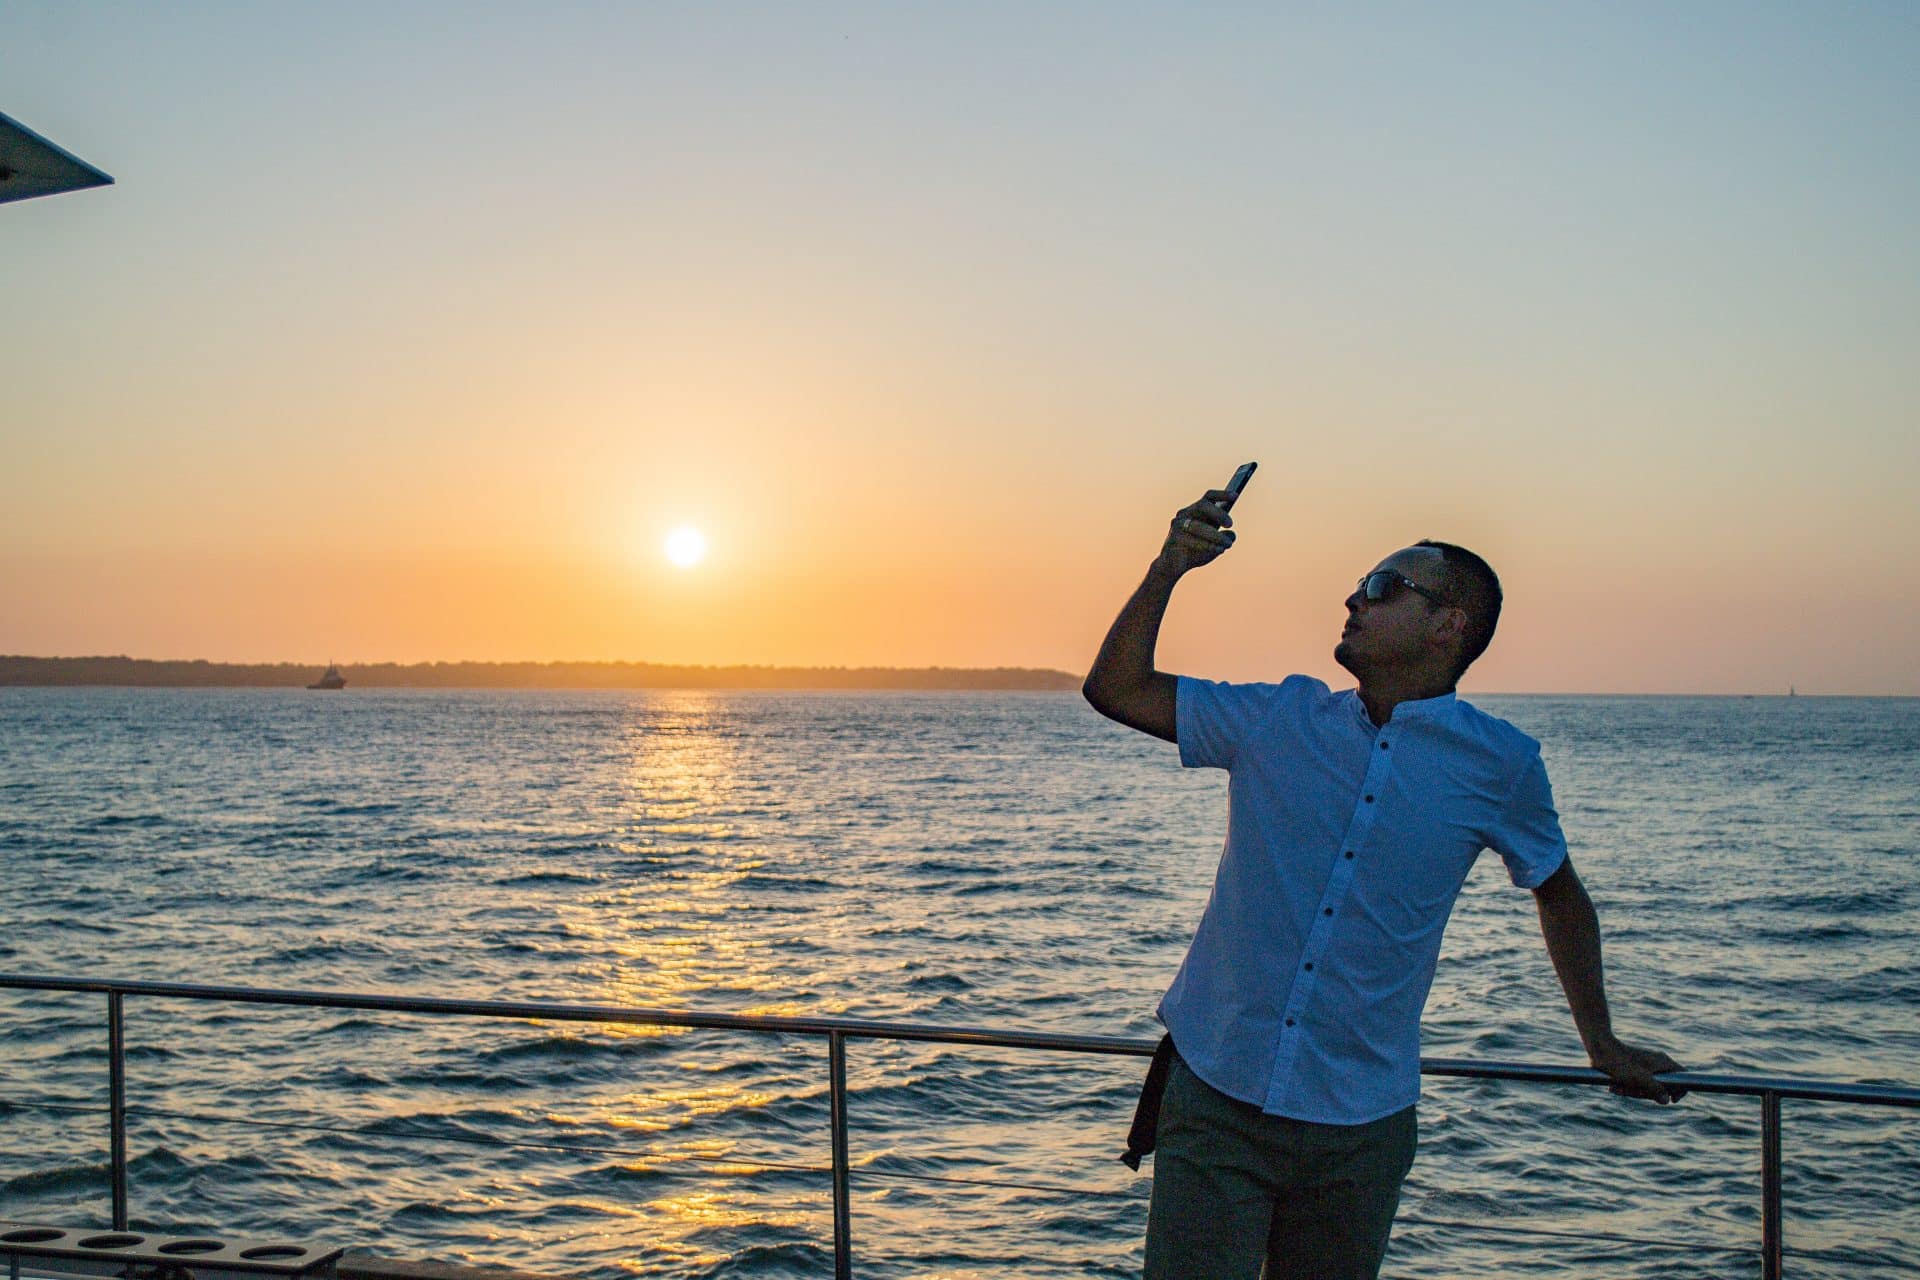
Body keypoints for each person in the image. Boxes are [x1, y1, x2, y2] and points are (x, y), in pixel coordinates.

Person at [1082, 483, 1685, 1280]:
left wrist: (1599, 1039)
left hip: (1359, 1126)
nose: (1352, 598)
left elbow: (1559, 890)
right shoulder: (1279, 720)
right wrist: (1169, 569)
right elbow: (1116, 689)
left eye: (1381, 586)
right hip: (1218, 1088)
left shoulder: (1501, 765)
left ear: (1449, 625)